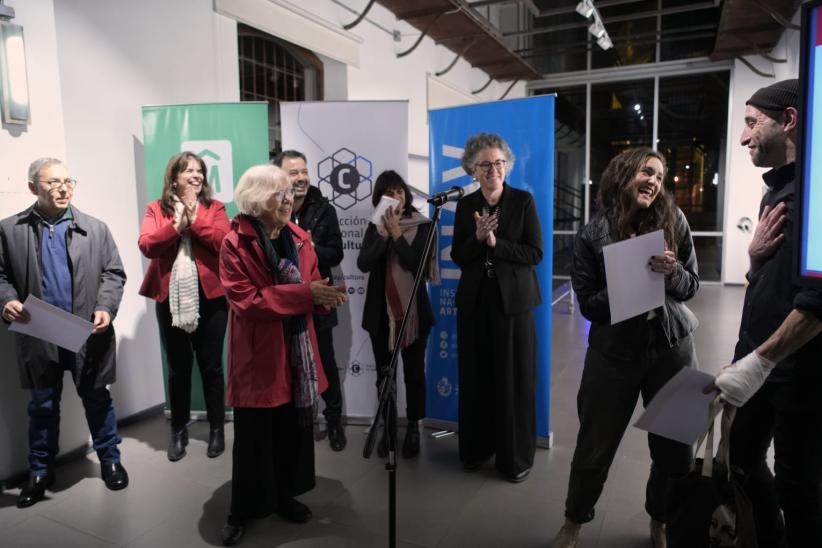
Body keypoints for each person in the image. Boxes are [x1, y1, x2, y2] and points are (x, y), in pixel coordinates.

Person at [552, 148, 699, 548]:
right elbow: (587, 303)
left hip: (672, 347)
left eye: (660, 175)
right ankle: (573, 521)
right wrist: (628, 279)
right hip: (613, 354)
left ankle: (661, 519)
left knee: (676, 447)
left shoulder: (675, 220)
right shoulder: (591, 235)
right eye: (645, 171)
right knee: (594, 447)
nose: (653, 180)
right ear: (622, 174)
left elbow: (692, 285)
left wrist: (672, 274)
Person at [708, 79, 822, 548]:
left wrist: (758, 361)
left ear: (789, 121)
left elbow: (815, 306)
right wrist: (754, 262)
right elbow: (769, 290)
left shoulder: (815, 197)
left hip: (800, 377)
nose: (742, 136)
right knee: (740, 461)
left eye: (752, 122)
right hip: (760, 365)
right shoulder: (773, 192)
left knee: (799, 487)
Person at [218, 165, 346, 546]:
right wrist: (308, 296)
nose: (289, 199)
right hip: (259, 358)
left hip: (296, 353)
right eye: (279, 194)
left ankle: (284, 497)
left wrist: (324, 300)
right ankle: (241, 509)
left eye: (289, 192)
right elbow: (247, 301)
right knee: (254, 438)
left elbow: (311, 287)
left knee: (291, 432)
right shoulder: (234, 242)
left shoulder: (300, 238)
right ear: (257, 201)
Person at [0, 157, 129, 508]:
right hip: (39, 332)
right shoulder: (10, 229)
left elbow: (113, 274)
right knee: (42, 405)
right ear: (32, 187)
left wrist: (105, 306)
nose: (62, 188)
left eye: (68, 181)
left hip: (87, 332)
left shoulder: (95, 228)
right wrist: (6, 300)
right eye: (52, 182)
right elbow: (0, 276)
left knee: (97, 398)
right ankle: (40, 471)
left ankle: (110, 460)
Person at [451, 132, 544, 483]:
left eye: (499, 163)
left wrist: (496, 243)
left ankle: (514, 458)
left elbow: (534, 254)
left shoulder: (523, 202)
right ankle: (475, 450)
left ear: (507, 166)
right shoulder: (464, 205)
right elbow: (459, 256)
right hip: (475, 302)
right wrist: (476, 241)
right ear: (473, 170)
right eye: (486, 164)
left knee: (513, 381)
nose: (494, 170)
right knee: (476, 379)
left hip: (513, 305)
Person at [138, 151, 230, 461]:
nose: (196, 175)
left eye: (200, 170)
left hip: (212, 296)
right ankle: (178, 429)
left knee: (211, 365)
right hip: (170, 297)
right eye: (188, 170)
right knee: (178, 368)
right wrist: (177, 226)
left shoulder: (215, 208)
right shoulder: (156, 208)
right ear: (174, 177)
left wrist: (195, 218)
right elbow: (147, 245)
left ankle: (217, 428)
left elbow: (223, 243)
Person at [357, 170, 437, 459]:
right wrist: (383, 234)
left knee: (414, 374)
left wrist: (397, 236)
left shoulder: (422, 224)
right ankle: (388, 429)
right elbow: (363, 263)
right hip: (380, 316)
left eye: (399, 191)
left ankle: (414, 428)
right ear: (380, 198)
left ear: (406, 194)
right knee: (384, 376)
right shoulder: (373, 226)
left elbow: (418, 266)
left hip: (414, 313)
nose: (395, 197)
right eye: (388, 192)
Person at [274, 149, 347, 451]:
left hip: (318, 297)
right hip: (285, 302)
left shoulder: (324, 208)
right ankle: (297, 420)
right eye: (294, 172)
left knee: (325, 360)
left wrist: (311, 247)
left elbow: (337, 252)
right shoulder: (273, 207)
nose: (301, 178)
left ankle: (333, 420)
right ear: (279, 176)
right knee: (287, 362)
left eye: (304, 171)